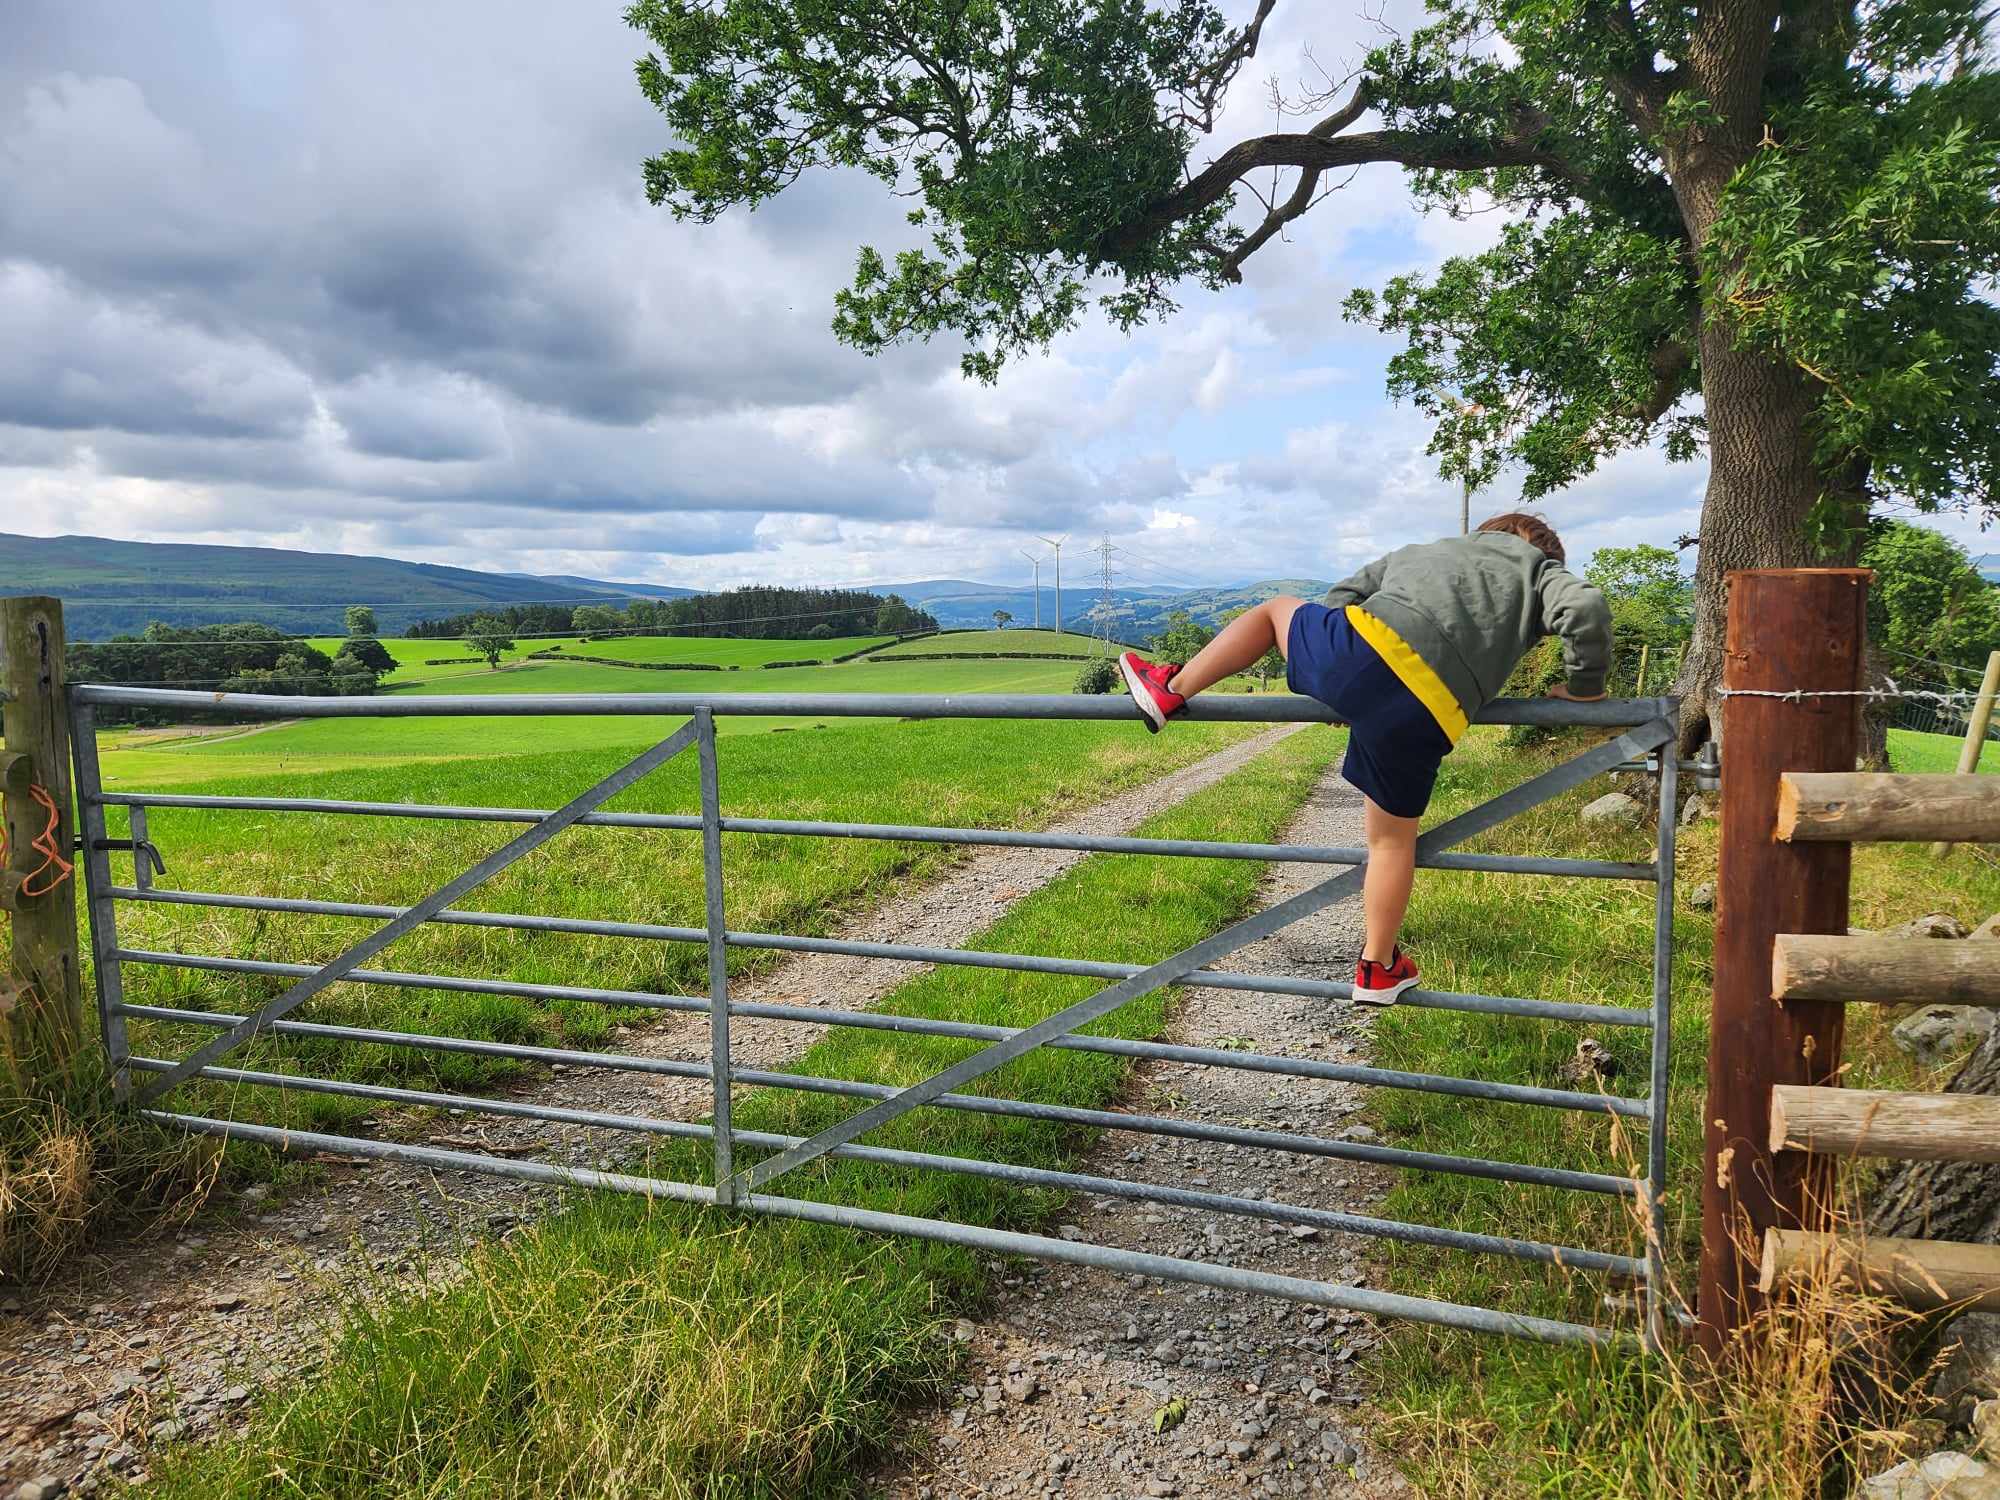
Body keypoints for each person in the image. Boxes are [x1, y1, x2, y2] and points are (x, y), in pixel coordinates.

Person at [1118, 512, 1612, 1004]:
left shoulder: (1425, 550)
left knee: (1275, 610)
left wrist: (1339, 685)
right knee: (1392, 844)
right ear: (1544, 551)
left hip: (1360, 654)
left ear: (1486, 533)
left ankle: (1172, 688)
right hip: (1431, 712)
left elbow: (1344, 596)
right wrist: (1584, 690)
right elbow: (1586, 606)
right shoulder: (1540, 573)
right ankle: (1378, 968)